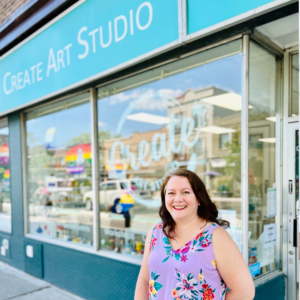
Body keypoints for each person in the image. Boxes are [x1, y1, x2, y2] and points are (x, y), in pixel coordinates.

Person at [134, 169, 255, 300]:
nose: (178, 199)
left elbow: (244, 292)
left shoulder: (216, 237)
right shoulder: (155, 233)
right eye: (171, 193)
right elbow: (144, 281)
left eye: (185, 192)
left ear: (199, 199)